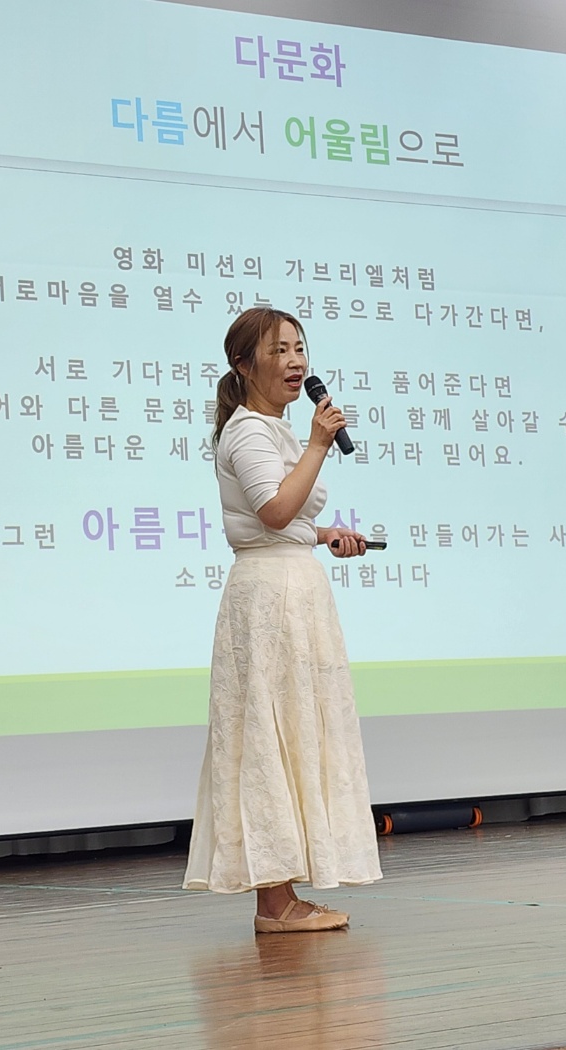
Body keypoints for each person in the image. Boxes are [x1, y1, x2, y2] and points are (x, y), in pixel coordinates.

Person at [183, 306, 383, 934]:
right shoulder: (247, 430)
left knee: (294, 731)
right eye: (279, 351)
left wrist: (323, 535)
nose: (296, 362)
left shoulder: (275, 429)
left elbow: (282, 522)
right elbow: (271, 512)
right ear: (244, 364)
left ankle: (283, 895)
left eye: (300, 349)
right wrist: (320, 444)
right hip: (269, 598)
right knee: (268, 735)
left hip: (293, 585)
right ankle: (273, 903)